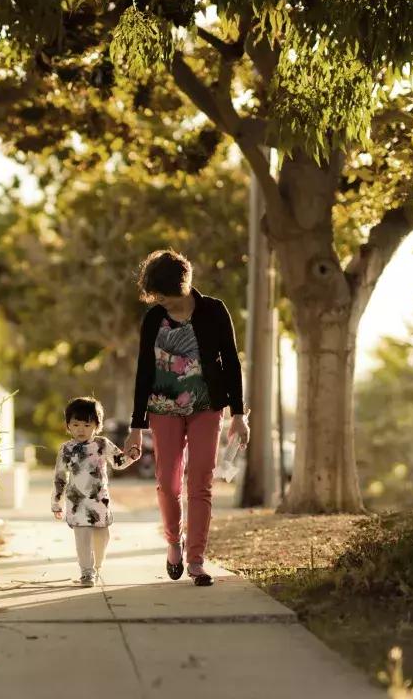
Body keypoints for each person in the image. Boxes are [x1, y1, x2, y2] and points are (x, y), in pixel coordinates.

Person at [125, 250, 249, 587]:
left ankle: (196, 559)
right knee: (168, 483)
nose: (157, 299)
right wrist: (136, 426)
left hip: (206, 407)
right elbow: (144, 371)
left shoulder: (214, 311)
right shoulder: (154, 319)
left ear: (178, 287)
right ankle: (173, 541)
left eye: (161, 293)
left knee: (200, 482)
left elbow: (232, 362)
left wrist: (238, 414)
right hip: (162, 408)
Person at [51, 396, 140, 587]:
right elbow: (60, 477)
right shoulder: (66, 449)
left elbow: (118, 462)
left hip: (99, 500)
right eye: (75, 425)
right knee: (82, 538)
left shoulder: (102, 444)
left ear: (97, 425)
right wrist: (57, 503)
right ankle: (87, 572)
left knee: (102, 536)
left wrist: (131, 456)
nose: (81, 429)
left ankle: (97, 566)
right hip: (77, 502)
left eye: (87, 425)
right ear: (68, 425)